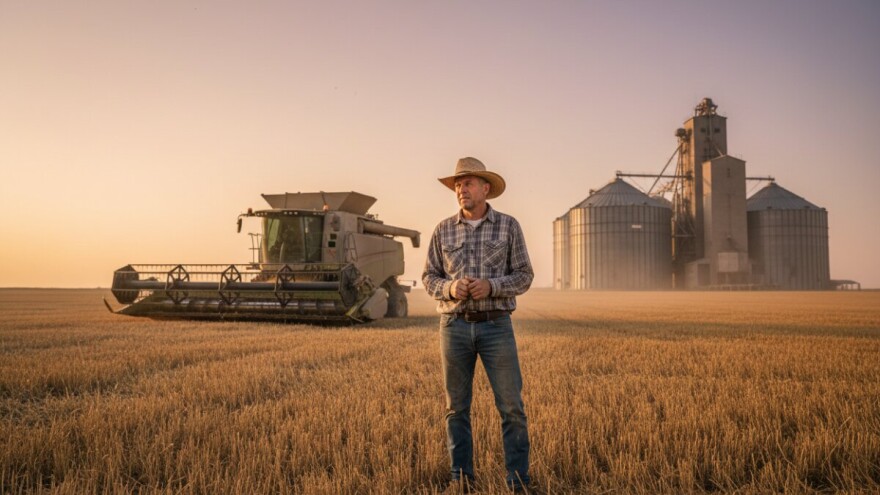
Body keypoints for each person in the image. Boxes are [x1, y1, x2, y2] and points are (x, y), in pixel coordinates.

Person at [422, 157, 534, 492]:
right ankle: (461, 478)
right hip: (453, 326)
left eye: (467, 183)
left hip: (496, 325)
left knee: (511, 407)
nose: (461, 189)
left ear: (486, 189)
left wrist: (493, 286)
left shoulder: (509, 226)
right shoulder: (442, 229)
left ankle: (517, 481)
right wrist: (450, 288)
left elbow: (525, 275)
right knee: (456, 408)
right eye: (457, 184)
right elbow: (429, 277)